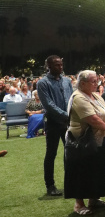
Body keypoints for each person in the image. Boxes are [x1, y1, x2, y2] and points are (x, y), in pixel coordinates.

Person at [64, 70, 105, 215]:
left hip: (99, 139)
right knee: (82, 171)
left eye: (97, 81)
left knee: (96, 170)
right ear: (82, 83)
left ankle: (93, 199)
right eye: (93, 81)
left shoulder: (95, 95)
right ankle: (79, 204)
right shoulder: (78, 97)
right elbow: (93, 119)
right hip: (82, 141)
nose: (96, 84)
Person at [36, 55, 73, 196]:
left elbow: (72, 99)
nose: (60, 67)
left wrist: (72, 114)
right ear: (49, 66)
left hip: (68, 122)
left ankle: (70, 182)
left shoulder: (67, 81)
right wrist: (66, 115)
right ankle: (50, 185)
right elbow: (48, 105)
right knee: (51, 154)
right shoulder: (43, 83)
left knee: (70, 153)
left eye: (61, 64)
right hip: (53, 122)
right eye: (57, 65)